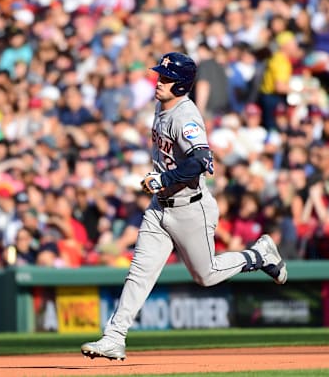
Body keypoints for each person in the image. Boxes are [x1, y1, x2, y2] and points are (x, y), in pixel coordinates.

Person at [80, 52, 286, 361]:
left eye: (166, 78)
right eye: (159, 76)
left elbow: (202, 161)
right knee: (139, 272)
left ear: (181, 85)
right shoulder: (161, 106)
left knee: (206, 275)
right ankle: (114, 337)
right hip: (160, 207)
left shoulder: (185, 116)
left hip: (191, 208)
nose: (158, 82)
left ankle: (258, 255)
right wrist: (160, 181)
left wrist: (163, 179)